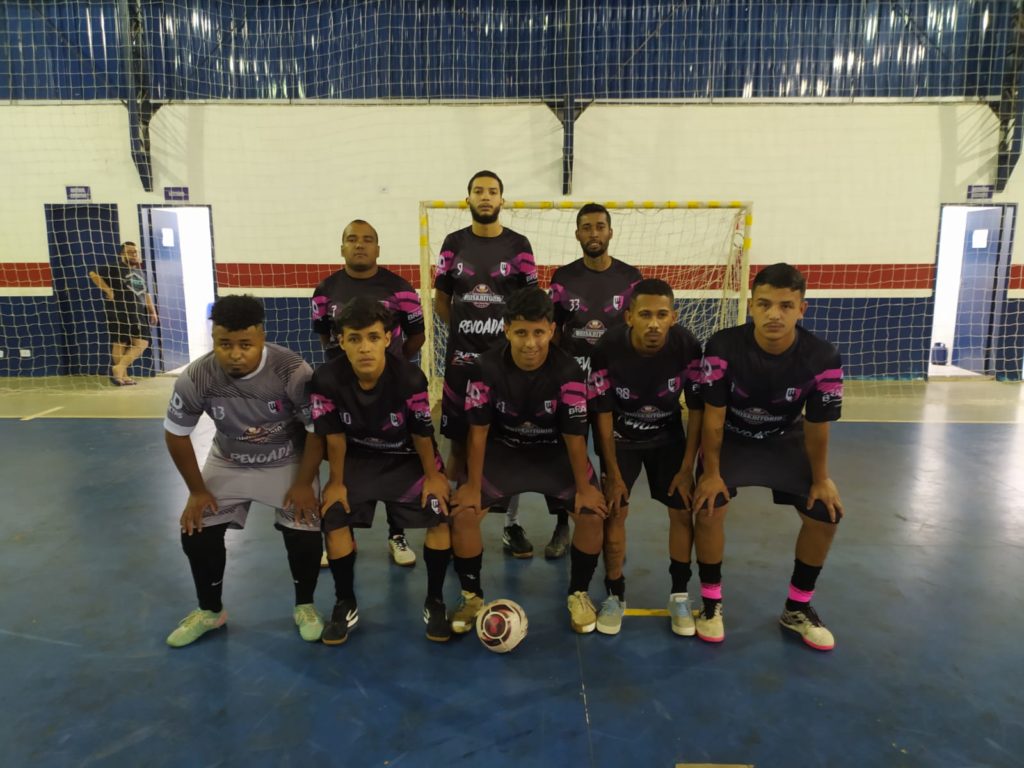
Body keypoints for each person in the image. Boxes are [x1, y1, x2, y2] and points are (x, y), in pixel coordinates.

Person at [692, 263, 844, 651]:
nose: (774, 314)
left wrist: (821, 479)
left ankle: (797, 608)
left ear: (801, 309)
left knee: (825, 513)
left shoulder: (823, 357)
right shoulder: (723, 347)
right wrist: (711, 472)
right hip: (732, 439)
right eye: (764, 304)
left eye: (785, 306)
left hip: (784, 439)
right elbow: (713, 417)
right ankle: (710, 604)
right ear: (751, 306)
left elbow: (817, 425)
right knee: (708, 505)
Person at [163, 295, 325, 648]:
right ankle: (210, 611)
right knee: (196, 529)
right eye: (225, 344)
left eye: (245, 344)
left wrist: (303, 483)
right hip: (229, 460)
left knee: (304, 527)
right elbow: (175, 434)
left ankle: (305, 605)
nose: (235, 354)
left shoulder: (291, 370)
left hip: (286, 459)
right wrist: (197, 491)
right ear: (213, 338)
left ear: (261, 336)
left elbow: (317, 430)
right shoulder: (198, 376)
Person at [450, 287, 608, 635]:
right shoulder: (485, 367)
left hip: (554, 453)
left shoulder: (568, 371)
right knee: (463, 513)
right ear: (506, 329)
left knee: (592, 514)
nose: (530, 343)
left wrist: (584, 489)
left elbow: (574, 436)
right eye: (521, 332)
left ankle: (578, 594)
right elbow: (477, 432)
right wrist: (472, 486)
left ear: (551, 330)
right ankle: (471, 596)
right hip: (504, 452)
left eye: (539, 332)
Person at [311, 297, 452, 644]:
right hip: (359, 459)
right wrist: (336, 482)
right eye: (354, 339)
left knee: (439, 513)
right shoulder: (325, 379)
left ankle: (435, 601)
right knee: (334, 514)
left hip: (407, 457)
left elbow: (422, 433)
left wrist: (434, 477)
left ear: (387, 339)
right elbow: (334, 437)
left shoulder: (410, 378)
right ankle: (345, 602)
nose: (364, 348)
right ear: (341, 341)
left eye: (373, 337)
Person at [434, 170, 544, 559]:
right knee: (459, 446)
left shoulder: (519, 245)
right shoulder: (453, 244)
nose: (485, 196)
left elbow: (530, 305)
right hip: (461, 365)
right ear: (468, 198)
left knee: (508, 446)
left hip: (507, 368)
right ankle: (451, 519)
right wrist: (464, 332)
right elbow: (441, 300)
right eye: (478, 191)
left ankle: (511, 525)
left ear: (502, 199)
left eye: (492, 191)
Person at [588, 279, 704, 635]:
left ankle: (679, 596)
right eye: (645, 315)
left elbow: (698, 410)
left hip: (668, 437)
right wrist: (611, 472)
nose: (654, 323)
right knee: (615, 511)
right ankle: (615, 594)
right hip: (621, 438)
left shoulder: (687, 346)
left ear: (673, 317)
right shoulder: (607, 348)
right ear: (629, 317)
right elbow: (602, 415)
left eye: (662, 315)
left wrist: (687, 467)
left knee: (682, 510)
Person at [311, 219, 426, 566]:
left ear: (378, 248)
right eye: (352, 239)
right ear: (342, 247)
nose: (359, 244)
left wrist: (394, 366)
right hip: (345, 394)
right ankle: (340, 531)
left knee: (395, 457)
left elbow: (417, 335)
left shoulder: (401, 288)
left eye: (367, 239)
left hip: (390, 394)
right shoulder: (324, 290)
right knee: (344, 455)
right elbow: (324, 336)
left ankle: (397, 534)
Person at [547, 203, 642, 559]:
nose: (593, 233)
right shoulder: (563, 278)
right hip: (572, 385)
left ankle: (609, 527)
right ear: (577, 234)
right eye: (586, 227)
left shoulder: (631, 278)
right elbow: (553, 331)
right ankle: (562, 525)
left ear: (610, 232)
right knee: (565, 456)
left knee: (609, 457)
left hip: (613, 389)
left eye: (600, 226)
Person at [88, 241, 158, 385]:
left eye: (135, 252)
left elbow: (145, 293)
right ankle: (122, 376)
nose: (134, 254)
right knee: (120, 342)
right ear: (122, 254)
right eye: (130, 252)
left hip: (137, 312)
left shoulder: (140, 272)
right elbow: (93, 273)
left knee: (142, 343)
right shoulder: (115, 267)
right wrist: (108, 290)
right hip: (119, 310)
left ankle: (119, 369)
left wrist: (152, 311)